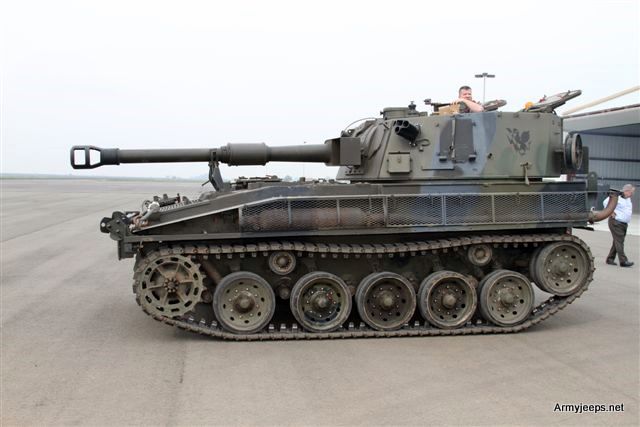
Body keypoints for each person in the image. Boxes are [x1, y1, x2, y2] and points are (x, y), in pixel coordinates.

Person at [604, 183, 636, 267]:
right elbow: (605, 202)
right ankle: (623, 261)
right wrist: (611, 212)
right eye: (632, 192)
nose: (632, 194)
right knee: (619, 241)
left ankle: (610, 259)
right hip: (616, 222)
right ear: (626, 191)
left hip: (624, 223)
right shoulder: (617, 196)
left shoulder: (627, 198)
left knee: (617, 241)